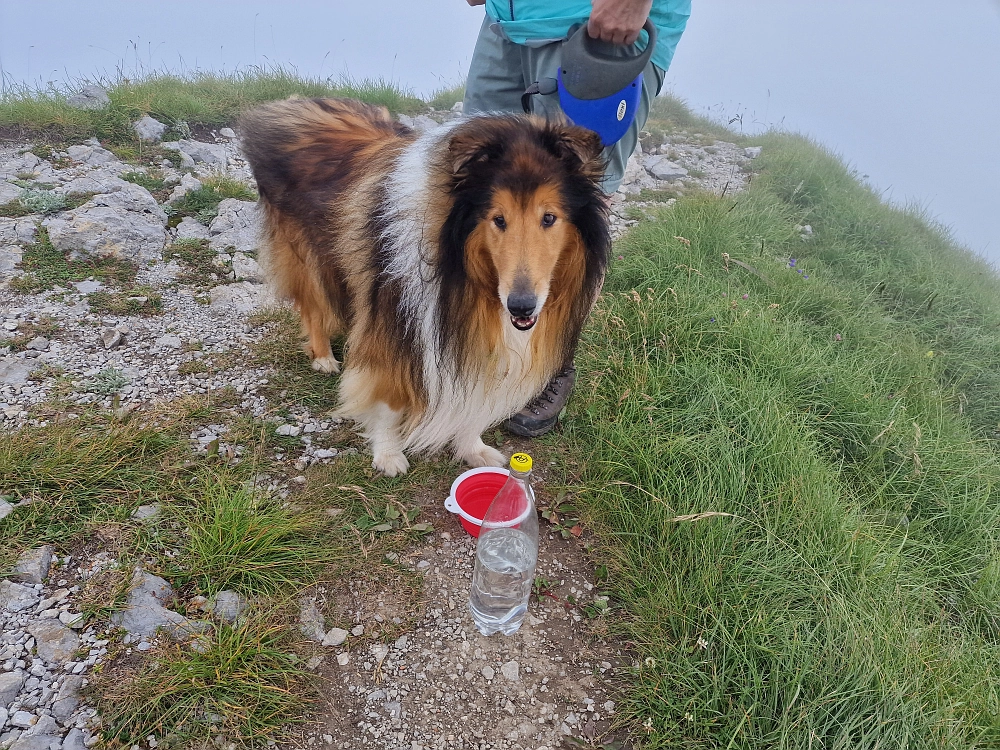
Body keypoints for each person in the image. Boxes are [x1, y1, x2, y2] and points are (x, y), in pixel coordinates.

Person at [462, 0, 691, 437]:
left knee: (579, 205)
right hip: (508, 19)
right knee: (481, 190)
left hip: (594, 24)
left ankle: (552, 361)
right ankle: (487, 348)